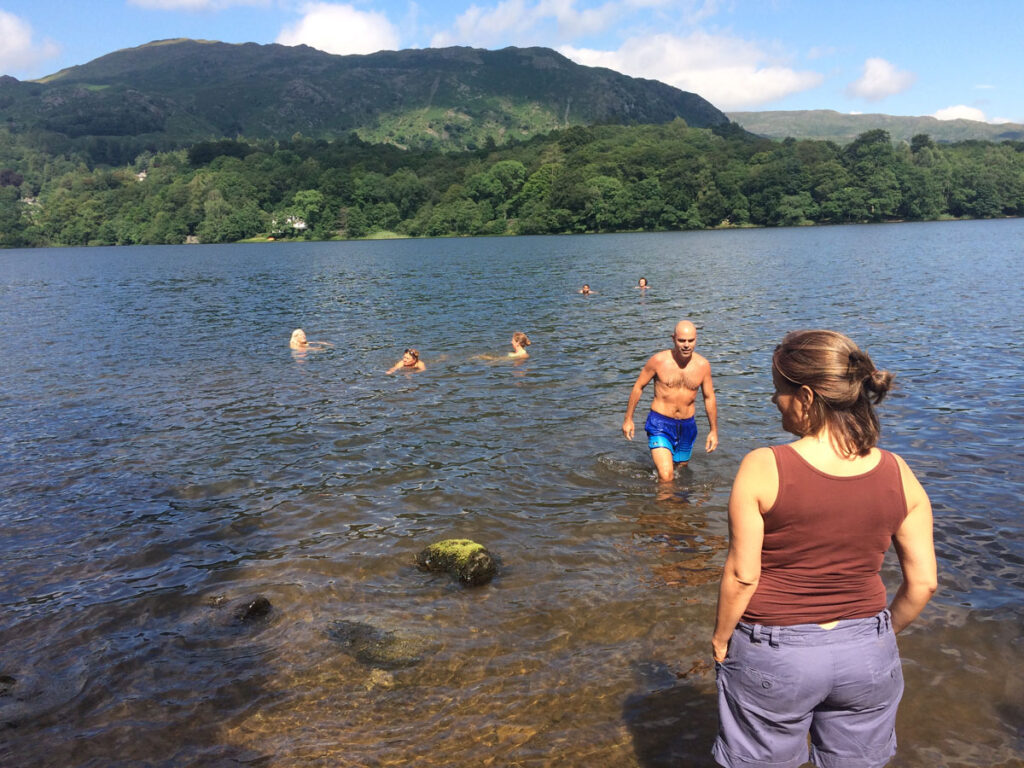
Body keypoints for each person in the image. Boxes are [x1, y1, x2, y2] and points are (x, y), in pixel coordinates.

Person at [710, 330, 938, 768]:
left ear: (807, 396)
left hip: (777, 654)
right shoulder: (898, 471)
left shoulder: (763, 466)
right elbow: (924, 583)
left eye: (779, 391)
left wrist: (721, 641)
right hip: (867, 654)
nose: (775, 401)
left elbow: (742, 575)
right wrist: (877, 637)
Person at [622, 320, 718, 481]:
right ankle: (664, 502)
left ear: (696, 339)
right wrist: (628, 419)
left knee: (680, 472)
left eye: (690, 340)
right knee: (667, 476)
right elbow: (638, 386)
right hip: (660, 423)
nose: (686, 345)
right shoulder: (658, 361)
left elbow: (709, 397)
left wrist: (713, 430)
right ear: (673, 338)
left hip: (687, 426)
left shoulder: (703, 366)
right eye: (681, 340)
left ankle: (674, 503)